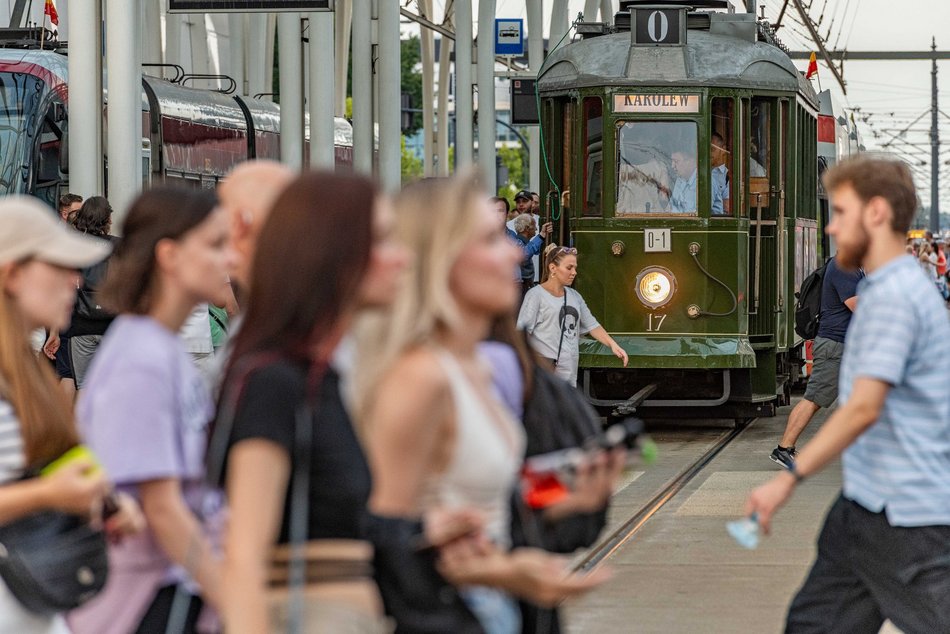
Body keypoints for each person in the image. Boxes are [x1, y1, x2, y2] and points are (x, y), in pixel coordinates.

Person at [354, 175, 609, 634]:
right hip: (450, 614)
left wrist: (563, 500)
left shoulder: (475, 369)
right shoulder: (421, 377)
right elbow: (382, 536)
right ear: (441, 259)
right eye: (491, 240)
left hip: (494, 610)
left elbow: (482, 503)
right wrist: (497, 572)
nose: (513, 254)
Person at [745, 157, 950, 633]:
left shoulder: (892, 298)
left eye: (840, 212)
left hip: (906, 514)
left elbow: (862, 406)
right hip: (867, 503)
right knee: (813, 624)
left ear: (875, 212)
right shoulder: (893, 288)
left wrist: (788, 478)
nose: (831, 227)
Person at [214, 173, 396, 633]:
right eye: (381, 241)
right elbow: (244, 558)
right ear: (330, 253)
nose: (402, 258)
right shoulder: (276, 380)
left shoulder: (317, 372)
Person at [69, 188, 232, 634]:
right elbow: (163, 510)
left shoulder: (156, 348)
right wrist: (237, 603)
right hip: (149, 601)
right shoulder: (143, 359)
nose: (229, 259)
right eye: (216, 245)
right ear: (170, 256)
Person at [0, 196, 142, 634]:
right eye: (60, 267)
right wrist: (50, 496)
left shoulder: (26, 376)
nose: (76, 282)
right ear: (12, 274)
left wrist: (101, 500)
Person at [770, 257, 861, 469]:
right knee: (813, 399)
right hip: (835, 347)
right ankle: (784, 449)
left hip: (846, 346)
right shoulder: (845, 266)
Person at [518, 244, 628, 387]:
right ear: (553, 268)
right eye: (569, 268)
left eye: (575, 268)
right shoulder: (536, 295)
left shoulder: (574, 296)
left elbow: (592, 325)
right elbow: (522, 333)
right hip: (544, 373)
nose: (574, 272)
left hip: (569, 373)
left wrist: (613, 345)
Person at [64, 197, 119, 392]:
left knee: (84, 387)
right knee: (112, 387)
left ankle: (82, 423)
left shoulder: (74, 246)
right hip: (112, 326)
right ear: (107, 220)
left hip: (80, 325)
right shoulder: (119, 246)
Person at [510, 213, 553, 299]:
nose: (536, 228)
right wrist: (541, 236)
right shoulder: (518, 243)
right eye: (534, 226)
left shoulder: (521, 242)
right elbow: (525, 253)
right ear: (527, 228)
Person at [710, 133, 731, 215]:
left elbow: (727, 207)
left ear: (723, 150)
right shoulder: (697, 172)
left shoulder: (727, 177)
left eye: (712, 149)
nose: (709, 153)